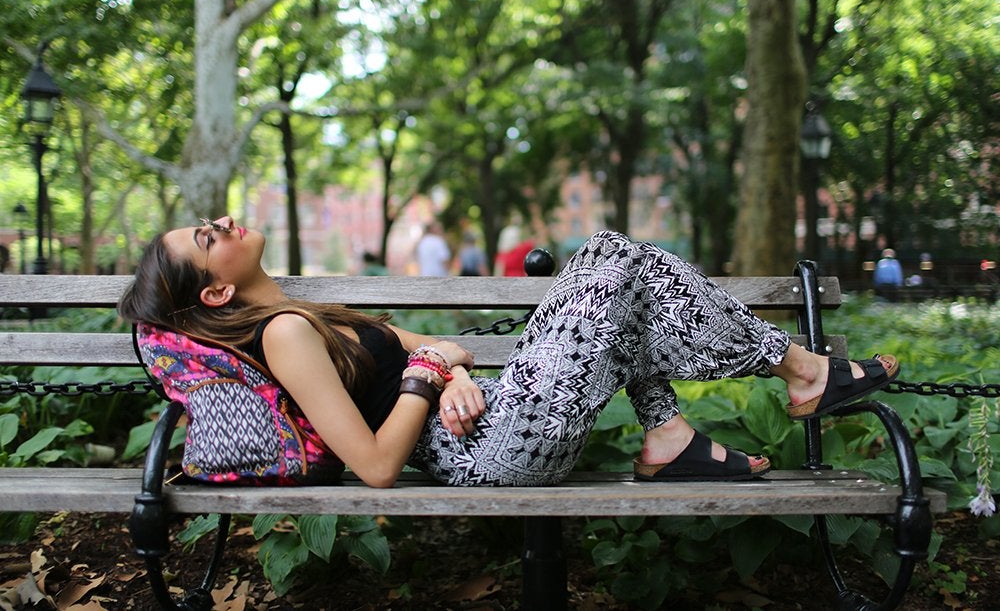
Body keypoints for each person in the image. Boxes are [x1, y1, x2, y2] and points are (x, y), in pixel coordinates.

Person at [118, 217, 899, 488]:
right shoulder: (283, 335)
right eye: (206, 239)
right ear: (214, 293)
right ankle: (801, 369)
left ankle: (669, 434)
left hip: (491, 413)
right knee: (615, 264)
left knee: (608, 257)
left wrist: (448, 367)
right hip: (484, 452)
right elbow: (378, 464)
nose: (220, 222)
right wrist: (429, 379)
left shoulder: (302, 312)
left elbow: (434, 343)